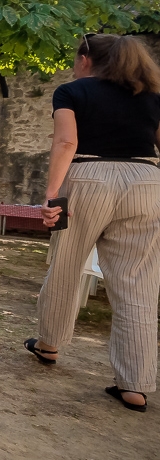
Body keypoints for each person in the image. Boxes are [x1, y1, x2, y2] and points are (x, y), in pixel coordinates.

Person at [29, 33, 160, 413]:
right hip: (147, 180)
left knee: (66, 265)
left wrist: (52, 194)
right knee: (138, 284)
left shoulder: (71, 92)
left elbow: (65, 143)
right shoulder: (151, 96)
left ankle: (49, 344)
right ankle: (134, 384)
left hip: (88, 178)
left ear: (85, 59)